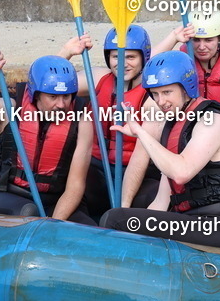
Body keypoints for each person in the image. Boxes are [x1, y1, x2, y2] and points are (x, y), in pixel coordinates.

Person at [100, 50, 220, 250]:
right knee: (123, 219)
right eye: (155, 94)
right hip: (190, 218)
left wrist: (141, 133)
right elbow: (162, 201)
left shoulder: (212, 120)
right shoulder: (175, 125)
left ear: (187, 87)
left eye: (167, 92)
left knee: (114, 219)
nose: (161, 102)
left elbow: (181, 173)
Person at [0, 53, 94, 224]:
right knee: (29, 212)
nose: (61, 104)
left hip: (53, 201)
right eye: (53, 97)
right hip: (2, 194)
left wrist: (52, 224)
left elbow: (75, 187)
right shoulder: (8, 110)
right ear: (36, 94)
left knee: (89, 227)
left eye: (66, 96)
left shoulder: (82, 123)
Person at [59, 24, 160, 220]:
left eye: (130, 57)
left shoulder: (153, 98)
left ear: (144, 58)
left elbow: (141, 157)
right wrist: (67, 52)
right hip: (97, 169)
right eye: (116, 57)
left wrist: (123, 207)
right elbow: (49, 85)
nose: (122, 64)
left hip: (136, 174)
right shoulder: (96, 77)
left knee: (147, 200)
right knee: (69, 191)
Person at [153, 11, 220, 133]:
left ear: (219, 40)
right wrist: (174, 37)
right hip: (188, 135)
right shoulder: (182, 63)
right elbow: (148, 67)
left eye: (208, 40)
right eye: (196, 40)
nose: (201, 47)